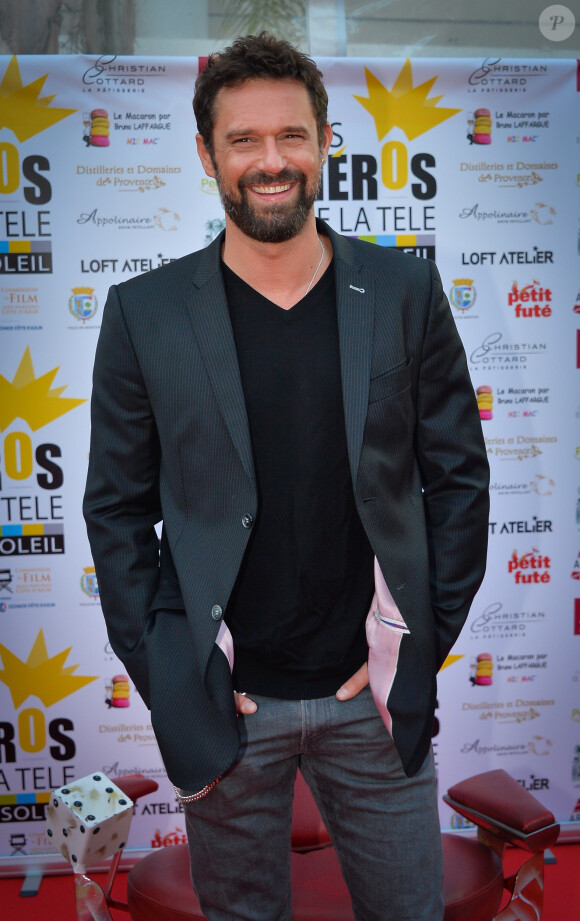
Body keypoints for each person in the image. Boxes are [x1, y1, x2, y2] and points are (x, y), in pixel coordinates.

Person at [84, 32, 489, 921]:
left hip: (372, 706)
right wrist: (171, 673)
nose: (272, 162)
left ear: (324, 142)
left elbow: (459, 484)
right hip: (227, 712)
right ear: (207, 155)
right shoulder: (143, 314)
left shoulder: (403, 293)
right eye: (244, 140)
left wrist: (416, 642)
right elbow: (114, 512)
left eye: (292, 136)